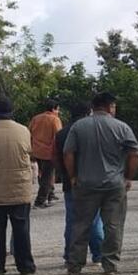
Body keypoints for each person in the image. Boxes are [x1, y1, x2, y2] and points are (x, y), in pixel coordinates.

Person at [64, 91, 138, 275]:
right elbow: (134, 153)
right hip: (114, 183)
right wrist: (128, 177)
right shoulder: (122, 127)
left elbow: (68, 153)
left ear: (93, 107)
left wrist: (73, 176)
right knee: (113, 225)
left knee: (81, 224)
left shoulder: (78, 127)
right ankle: (110, 263)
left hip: (86, 183)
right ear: (109, 107)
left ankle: (75, 264)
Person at [0, 98, 36, 275]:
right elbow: (30, 152)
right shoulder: (23, 130)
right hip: (20, 188)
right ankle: (25, 265)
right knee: (21, 229)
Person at [56, 102, 104, 264]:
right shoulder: (92, 130)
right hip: (91, 180)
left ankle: (71, 255)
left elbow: (55, 157)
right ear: (88, 113)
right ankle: (98, 254)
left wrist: (64, 174)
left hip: (70, 183)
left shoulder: (61, 133)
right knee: (95, 220)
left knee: (72, 221)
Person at [28, 100, 62, 208]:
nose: (58, 112)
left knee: (44, 174)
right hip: (49, 152)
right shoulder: (54, 119)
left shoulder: (36, 118)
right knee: (47, 177)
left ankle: (50, 194)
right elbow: (58, 135)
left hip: (36, 151)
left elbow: (29, 133)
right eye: (58, 109)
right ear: (54, 108)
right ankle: (40, 200)